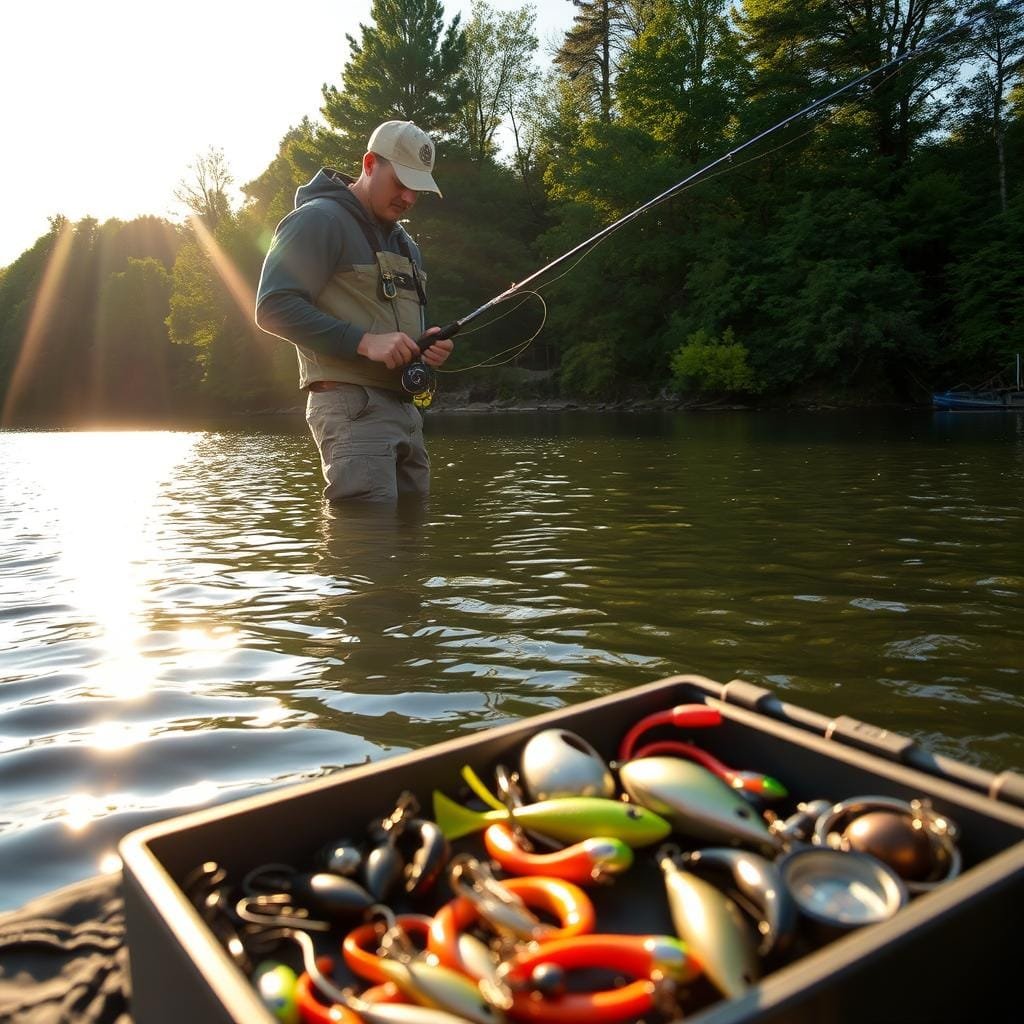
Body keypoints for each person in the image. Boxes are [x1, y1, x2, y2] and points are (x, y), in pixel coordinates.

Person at [255, 120, 454, 502]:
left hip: (406, 412)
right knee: (365, 551)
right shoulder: (318, 219)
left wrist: (426, 347)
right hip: (353, 409)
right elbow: (273, 306)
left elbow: (392, 326)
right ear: (368, 164)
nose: (409, 198)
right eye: (401, 183)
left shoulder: (408, 245)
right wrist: (364, 343)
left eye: (418, 189)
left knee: (414, 547)